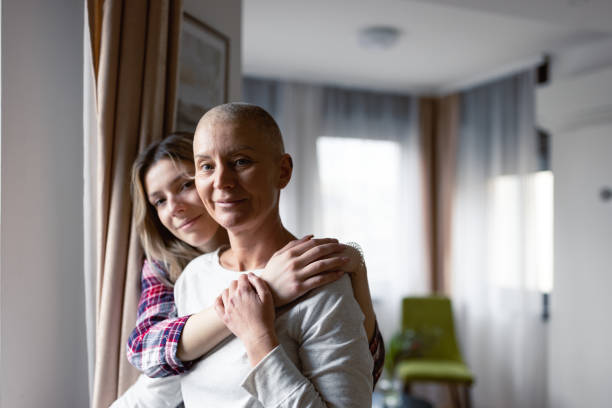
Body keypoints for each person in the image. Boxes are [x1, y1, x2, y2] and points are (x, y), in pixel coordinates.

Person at [112, 133, 383, 406]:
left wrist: (358, 272)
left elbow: (364, 372)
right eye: (159, 201)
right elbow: (144, 351)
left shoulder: (296, 267)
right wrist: (265, 290)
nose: (174, 208)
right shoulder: (168, 269)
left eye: (184, 185)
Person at [170, 102, 373, 406]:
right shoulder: (193, 278)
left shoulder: (320, 282)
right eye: (206, 166)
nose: (221, 181)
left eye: (240, 161)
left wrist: (258, 339)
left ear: (283, 171)